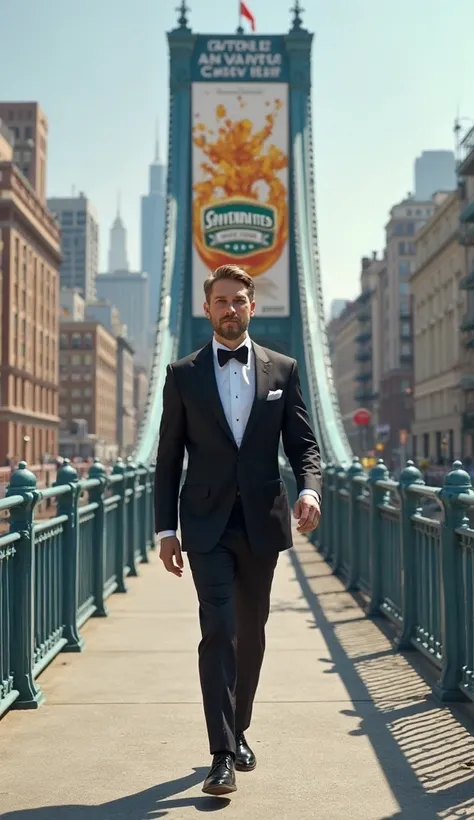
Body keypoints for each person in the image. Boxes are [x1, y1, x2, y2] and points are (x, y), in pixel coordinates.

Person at [154, 264, 321, 796]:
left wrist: (310, 489)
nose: (230, 308)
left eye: (239, 300)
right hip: (205, 525)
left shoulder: (284, 369)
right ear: (207, 309)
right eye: (221, 300)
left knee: (251, 634)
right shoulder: (182, 373)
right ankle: (221, 753)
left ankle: (239, 727)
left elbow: (304, 445)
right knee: (219, 630)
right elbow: (166, 457)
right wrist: (165, 531)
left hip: (262, 523)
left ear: (253, 307)